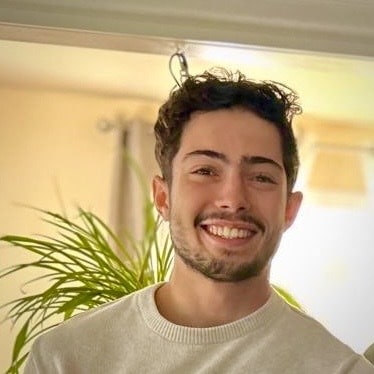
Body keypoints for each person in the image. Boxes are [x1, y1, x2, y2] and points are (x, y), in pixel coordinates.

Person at [24, 69, 374, 373]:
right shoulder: (65, 358)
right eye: (205, 170)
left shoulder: (337, 369)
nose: (233, 199)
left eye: (261, 177)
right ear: (163, 197)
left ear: (289, 210)